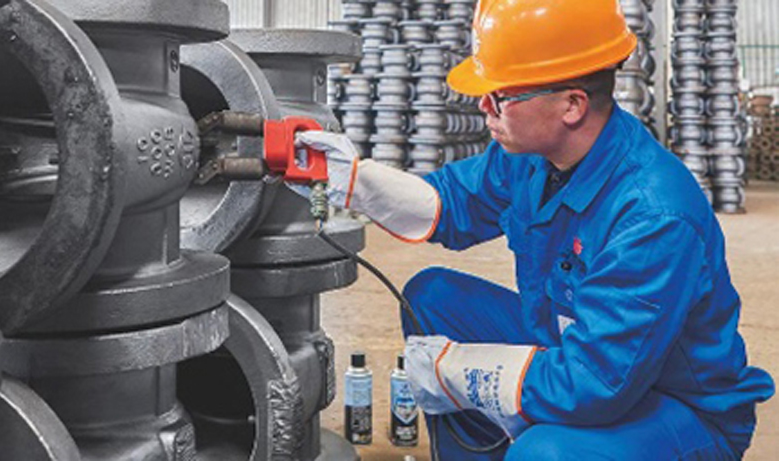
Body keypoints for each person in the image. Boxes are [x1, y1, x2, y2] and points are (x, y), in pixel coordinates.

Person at [293, 0, 774, 459]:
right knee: (432, 298)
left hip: (675, 404)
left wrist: (463, 373)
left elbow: (598, 381)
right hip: (577, 348)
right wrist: (352, 181)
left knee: (545, 452)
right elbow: (453, 203)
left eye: (501, 96)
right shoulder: (534, 158)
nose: (483, 106)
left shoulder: (653, 216)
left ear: (572, 105)